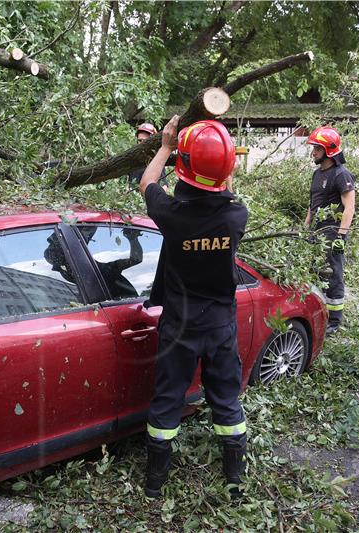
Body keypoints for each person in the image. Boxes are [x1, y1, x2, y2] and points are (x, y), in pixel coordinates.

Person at [139, 115, 248, 498]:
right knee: (226, 400)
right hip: (220, 324)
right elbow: (223, 190)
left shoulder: (172, 216)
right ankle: (235, 480)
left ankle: (155, 483)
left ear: (183, 168)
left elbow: (147, 183)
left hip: (180, 326)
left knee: (168, 399)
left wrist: (166, 146)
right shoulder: (237, 216)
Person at [304, 126, 355, 335]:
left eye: (317, 149)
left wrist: (341, 236)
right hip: (316, 232)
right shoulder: (317, 174)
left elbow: (350, 206)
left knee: (333, 275)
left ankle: (334, 320)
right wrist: (305, 227)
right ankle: (320, 311)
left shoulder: (341, 174)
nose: (313, 152)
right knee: (316, 272)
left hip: (333, 233)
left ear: (329, 150)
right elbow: (312, 204)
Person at [128, 122, 170, 192]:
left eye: (145, 141)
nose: (142, 143)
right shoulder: (132, 159)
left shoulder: (156, 160)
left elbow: (164, 186)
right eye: (139, 141)